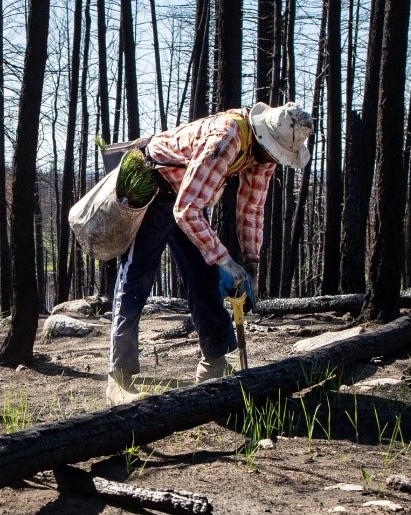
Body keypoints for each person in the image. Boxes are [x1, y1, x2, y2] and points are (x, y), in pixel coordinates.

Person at [105, 101, 314, 404]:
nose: (273, 159)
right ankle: (118, 378)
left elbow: (251, 208)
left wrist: (251, 265)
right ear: (263, 137)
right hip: (155, 188)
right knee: (136, 276)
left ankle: (213, 363)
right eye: (274, 153)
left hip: (187, 196)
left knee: (204, 275)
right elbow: (186, 211)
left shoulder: (264, 154)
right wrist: (226, 260)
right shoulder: (226, 136)